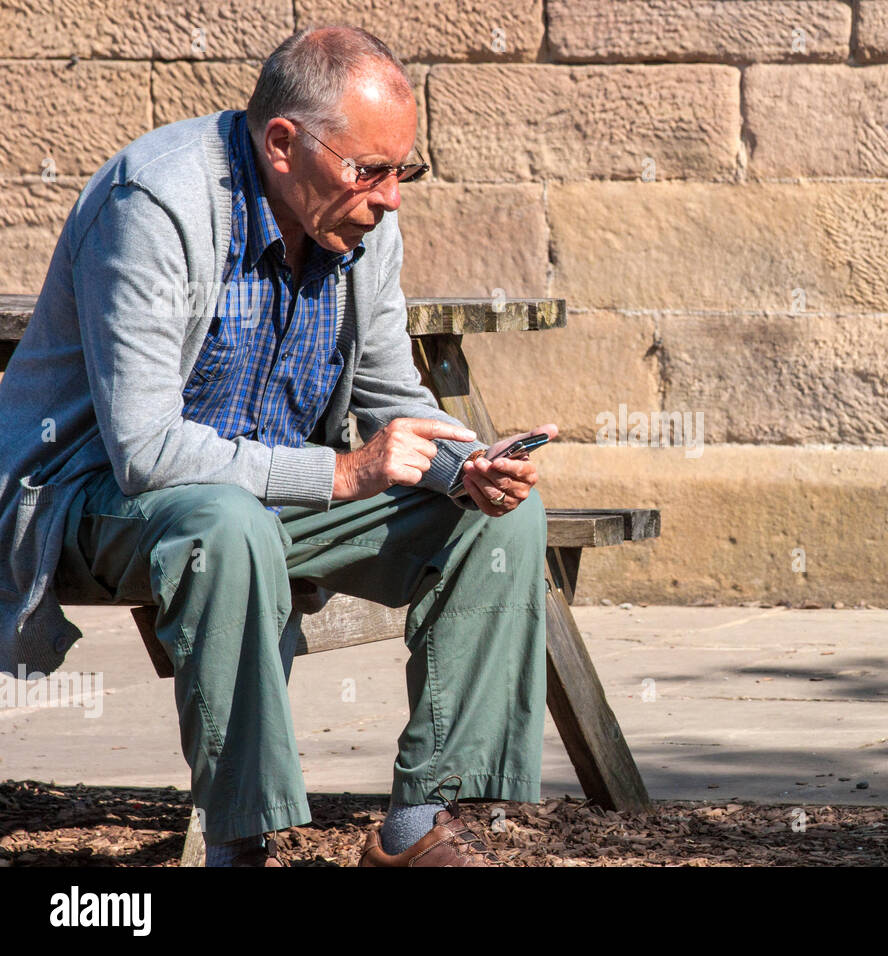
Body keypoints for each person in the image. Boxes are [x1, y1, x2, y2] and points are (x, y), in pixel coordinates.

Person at [0, 25, 558, 867]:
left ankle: (417, 829)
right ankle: (240, 843)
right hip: (87, 502)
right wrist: (344, 472)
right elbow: (146, 452)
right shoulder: (155, 204)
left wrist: (468, 466)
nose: (391, 195)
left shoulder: (360, 223)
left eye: (403, 169)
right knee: (229, 527)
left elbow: (391, 397)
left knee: (496, 521)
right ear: (284, 144)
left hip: (270, 501)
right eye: (369, 170)